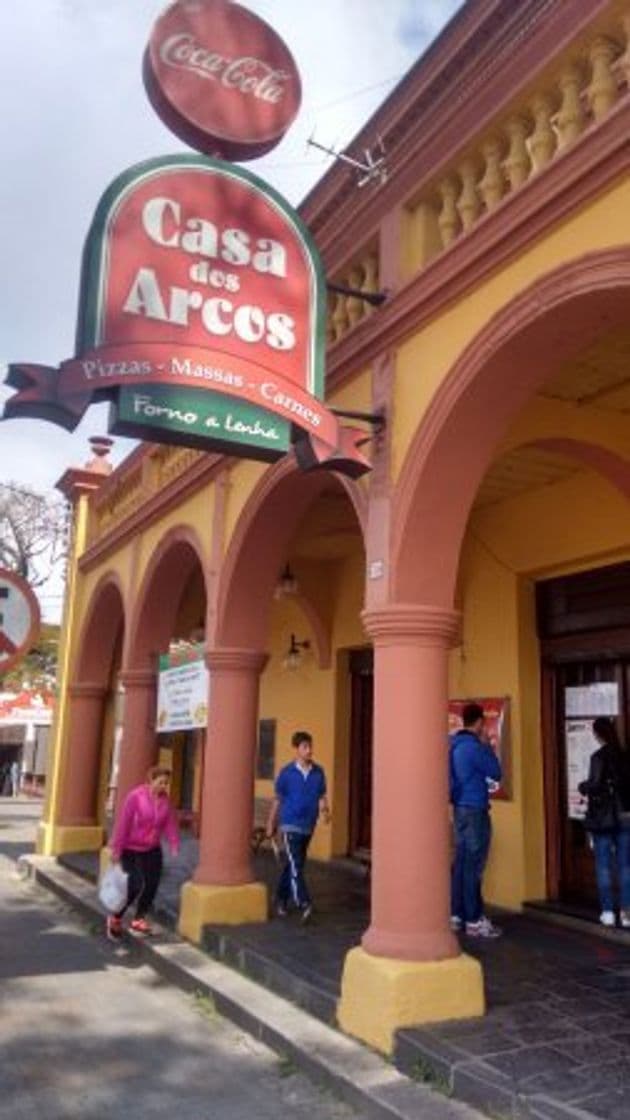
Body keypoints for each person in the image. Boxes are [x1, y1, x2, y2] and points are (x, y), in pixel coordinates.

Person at [106, 764, 180, 941]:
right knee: (135, 884)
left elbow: (169, 823)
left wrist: (174, 843)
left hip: (152, 848)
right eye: (161, 782)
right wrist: (117, 848)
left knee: (152, 884)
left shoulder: (164, 801)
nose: (163, 786)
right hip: (130, 848)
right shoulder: (136, 797)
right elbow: (123, 824)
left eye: (166, 783)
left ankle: (139, 919)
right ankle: (116, 917)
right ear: (151, 780)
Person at [450, 702, 503, 938]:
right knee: (473, 865)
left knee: (461, 862)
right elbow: (496, 771)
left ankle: (457, 915)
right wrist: (488, 745)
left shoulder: (452, 744)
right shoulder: (474, 747)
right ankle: (474, 919)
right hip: (475, 809)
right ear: (480, 722)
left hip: (459, 807)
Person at [265, 730, 330, 921]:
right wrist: (271, 822)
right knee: (295, 865)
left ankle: (280, 898)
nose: (309, 750)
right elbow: (278, 800)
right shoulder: (286, 773)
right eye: (305, 747)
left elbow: (322, 795)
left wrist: (325, 811)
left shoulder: (319, 772)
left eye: (310, 746)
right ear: (297, 749)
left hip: (308, 825)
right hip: (289, 824)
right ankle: (304, 902)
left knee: (294, 865)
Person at [578, 716, 630, 928]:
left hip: (604, 818)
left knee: (603, 865)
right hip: (626, 817)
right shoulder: (626, 756)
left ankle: (608, 911)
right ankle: (627, 913)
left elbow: (595, 785)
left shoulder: (598, 757)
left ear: (597, 734)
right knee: (626, 866)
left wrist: (583, 786)